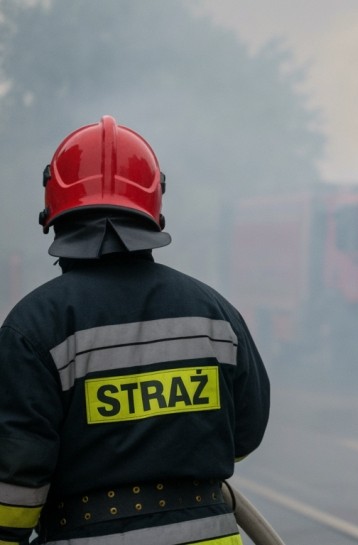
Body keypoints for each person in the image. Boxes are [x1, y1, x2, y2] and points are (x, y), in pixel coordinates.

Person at [0, 115, 271, 545]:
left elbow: (15, 480)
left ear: (53, 209)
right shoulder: (214, 313)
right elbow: (246, 434)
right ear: (154, 208)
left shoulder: (33, 327)